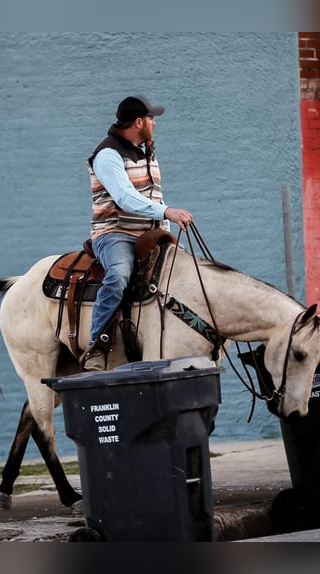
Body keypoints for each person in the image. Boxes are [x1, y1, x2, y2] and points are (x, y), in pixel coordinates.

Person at [83, 95, 193, 371]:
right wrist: (168, 212)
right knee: (119, 274)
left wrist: (165, 233)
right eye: (152, 119)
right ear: (139, 122)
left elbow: (154, 198)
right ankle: (97, 345)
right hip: (114, 233)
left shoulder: (147, 152)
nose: (155, 123)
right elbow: (125, 198)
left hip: (149, 234)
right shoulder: (108, 155)